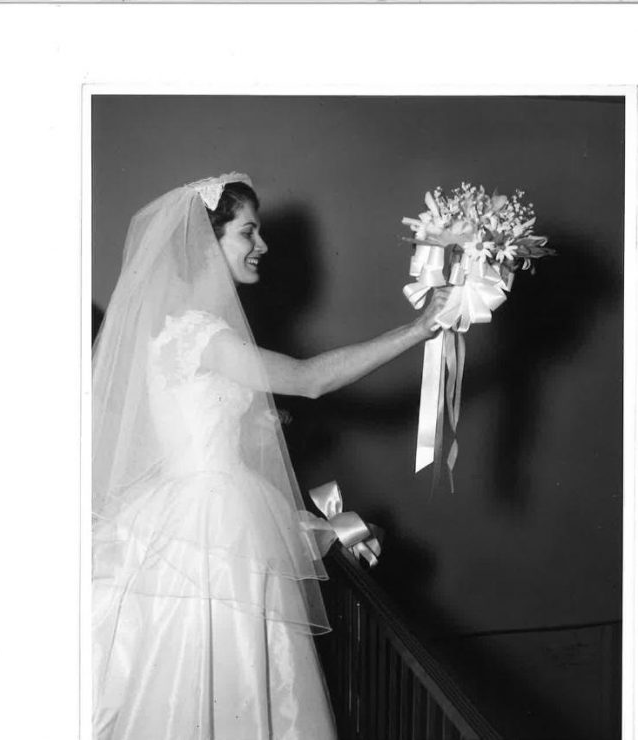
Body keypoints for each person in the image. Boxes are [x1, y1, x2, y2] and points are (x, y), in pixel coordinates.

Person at [92, 173, 448, 740]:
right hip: (215, 519)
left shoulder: (176, 331)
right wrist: (419, 329)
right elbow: (308, 380)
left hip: (189, 505)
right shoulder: (205, 335)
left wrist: (251, 421)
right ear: (206, 243)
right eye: (247, 232)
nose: (262, 245)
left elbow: (187, 416)